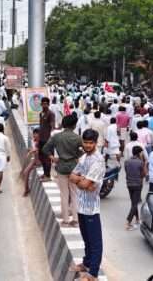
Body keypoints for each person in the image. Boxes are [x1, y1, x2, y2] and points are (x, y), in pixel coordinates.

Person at [69, 129, 105, 281]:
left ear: (96, 143)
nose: (88, 145)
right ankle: (86, 263)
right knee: (86, 238)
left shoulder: (98, 160)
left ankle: (93, 273)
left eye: (91, 143)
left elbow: (86, 184)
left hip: (92, 208)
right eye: (85, 142)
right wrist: (83, 181)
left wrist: (82, 181)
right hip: (81, 205)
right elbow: (72, 176)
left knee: (95, 242)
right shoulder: (84, 158)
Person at [42, 114, 83, 226]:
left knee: (64, 194)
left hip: (61, 167)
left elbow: (45, 149)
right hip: (74, 168)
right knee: (74, 194)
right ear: (74, 125)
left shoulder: (57, 137)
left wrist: (53, 158)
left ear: (64, 124)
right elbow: (84, 151)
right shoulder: (77, 138)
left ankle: (65, 220)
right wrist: (77, 155)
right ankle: (76, 219)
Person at [124, 146, 146, 230]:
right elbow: (143, 174)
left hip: (129, 184)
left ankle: (137, 219)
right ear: (139, 153)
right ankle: (128, 222)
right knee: (135, 204)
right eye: (141, 153)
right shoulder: (140, 162)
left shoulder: (127, 161)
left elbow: (126, 171)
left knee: (133, 202)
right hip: (137, 185)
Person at [38, 97, 56, 182]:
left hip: (47, 140)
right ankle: (45, 173)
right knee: (41, 157)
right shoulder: (41, 113)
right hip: (41, 139)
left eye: (46, 103)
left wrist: (51, 136)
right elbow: (41, 125)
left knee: (47, 158)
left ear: (48, 104)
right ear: (41, 104)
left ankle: (48, 175)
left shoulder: (51, 114)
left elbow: (52, 125)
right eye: (43, 103)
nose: (44, 105)